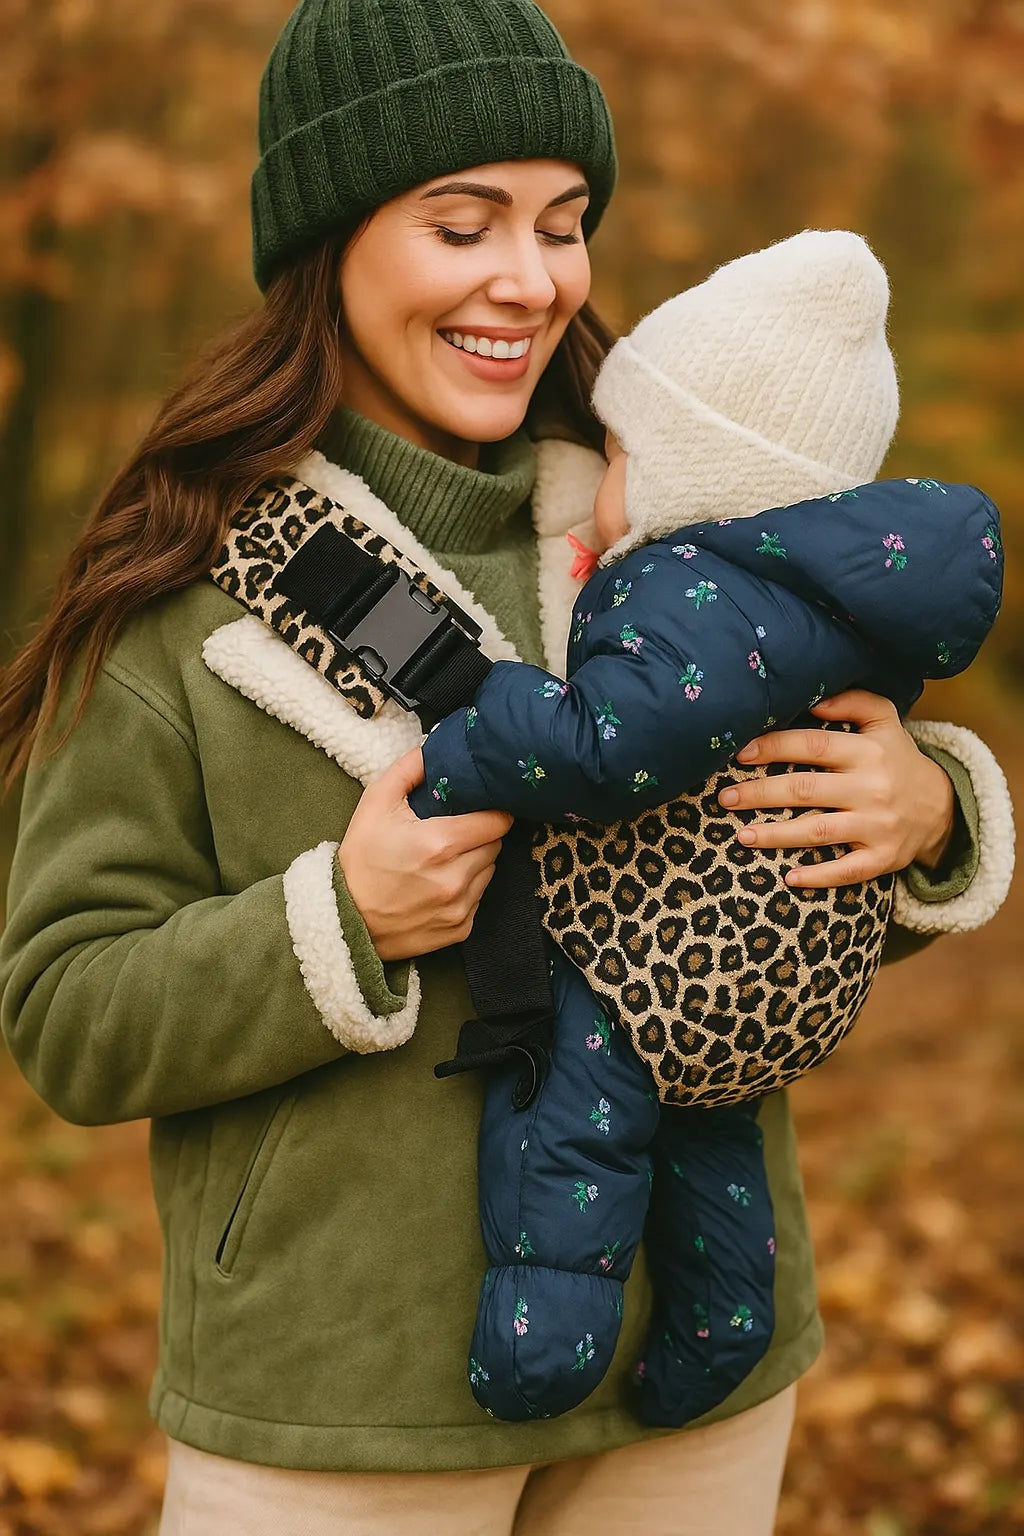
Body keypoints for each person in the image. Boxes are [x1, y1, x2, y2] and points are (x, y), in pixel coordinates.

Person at [0, 3, 1013, 1534]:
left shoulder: (681, 521)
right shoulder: (180, 587)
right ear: (330, 244)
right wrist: (338, 918)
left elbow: (798, 793)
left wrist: (930, 806)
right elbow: (65, 1011)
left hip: (693, 1372)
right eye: (461, 223)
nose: (529, 281)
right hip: (338, 1404)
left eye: (563, 222)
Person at [406, 229, 1004, 1429]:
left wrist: (474, 733)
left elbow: (604, 748)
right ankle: (720, 1326)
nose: (607, 479)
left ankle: (546, 1335)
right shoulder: (834, 595)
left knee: (578, 1104)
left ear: (696, 472)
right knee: (705, 1139)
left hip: (664, 962)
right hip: (788, 974)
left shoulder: (688, 587)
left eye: (625, 452)